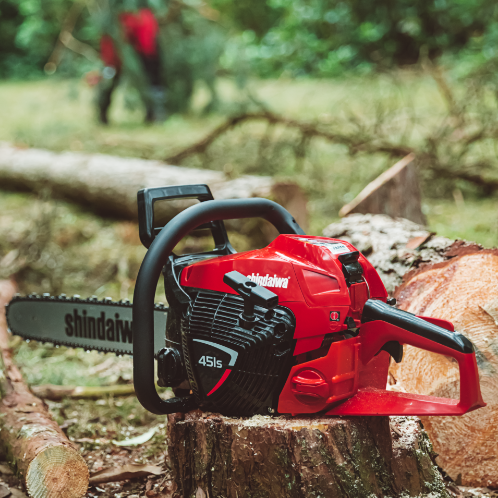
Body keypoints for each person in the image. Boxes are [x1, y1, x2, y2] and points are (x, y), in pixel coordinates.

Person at [97, 8, 166, 124]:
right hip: (120, 56)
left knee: (151, 84)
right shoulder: (115, 18)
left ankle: (155, 114)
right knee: (109, 82)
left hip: (143, 55)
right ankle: (102, 115)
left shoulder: (142, 16)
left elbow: (147, 40)